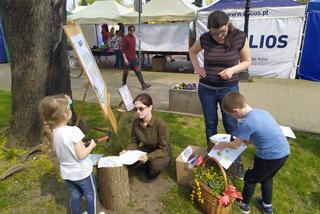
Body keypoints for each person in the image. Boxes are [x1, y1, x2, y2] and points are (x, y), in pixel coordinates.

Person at [189, 10, 251, 177]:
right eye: (215, 33)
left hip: (228, 90)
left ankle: (236, 163)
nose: (219, 36)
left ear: (228, 24)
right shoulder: (205, 38)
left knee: (231, 125)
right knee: (211, 124)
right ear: (210, 30)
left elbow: (247, 61)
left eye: (222, 32)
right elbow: (192, 52)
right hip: (206, 89)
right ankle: (213, 158)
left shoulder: (239, 36)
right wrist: (197, 67)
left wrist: (232, 70)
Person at [214, 92, 290, 214]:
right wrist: (246, 141)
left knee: (250, 178)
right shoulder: (262, 112)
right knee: (267, 178)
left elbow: (235, 145)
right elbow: (255, 135)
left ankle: (244, 205)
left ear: (236, 111)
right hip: (284, 152)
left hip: (268, 156)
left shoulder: (246, 122)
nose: (232, 117)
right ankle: (267, 206)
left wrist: (223, 144)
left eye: (230, 115)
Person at [39, 94, 97, 214]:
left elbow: (67, 149)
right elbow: (81, 155)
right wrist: (91, 145)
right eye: (69, 108)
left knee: (75, 195)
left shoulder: (52, 133)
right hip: (82, 173)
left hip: (67, 174)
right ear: (66, 115)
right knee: (90, 195)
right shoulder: (74, 131)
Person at [120, 93, 171, 180]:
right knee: (128, 162)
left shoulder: (160, 124)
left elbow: (164, 149)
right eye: (136, 109)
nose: (138, 112)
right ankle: (146, 163)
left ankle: (153, 168)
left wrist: (148, 157)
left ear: (150, 107)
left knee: (155, 166)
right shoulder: (136, 122)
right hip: (147, 149)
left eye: (141, 108)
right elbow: (134, 141)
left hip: (162, 152)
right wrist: (127, 151)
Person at [121, 25, 151, 90]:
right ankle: (124, 83)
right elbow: (123, 50)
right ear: (128, 30)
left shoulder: (134, 38)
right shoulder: (125, 38)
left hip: (134, 59)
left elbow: (133, 49)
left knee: (138, 71)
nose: (132, 31)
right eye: (131, 30)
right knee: (126, 71)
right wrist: (125, 59)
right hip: (128, 59)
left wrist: (136, 56)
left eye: (133, 30)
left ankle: (143, 84)